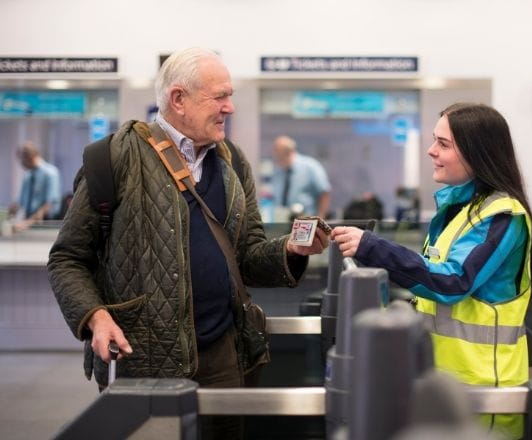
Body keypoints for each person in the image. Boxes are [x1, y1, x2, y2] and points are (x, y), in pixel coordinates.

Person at [47, 47, 328, 439]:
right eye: (220, 97)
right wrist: (95, 316)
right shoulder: (113, 158)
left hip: (224, 356)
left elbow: (245, 255)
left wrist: (290, 251)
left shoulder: (232, 162)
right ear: (178, 99)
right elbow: (66, 258)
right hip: (144, 359)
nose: (230, 107)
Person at [332, 103, 532, 439]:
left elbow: (451, 281)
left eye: (444, 145)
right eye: (434, 141)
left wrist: (373, 248)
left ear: (477, 154)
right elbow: (429, 279)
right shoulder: (454, 211)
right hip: (442, 383)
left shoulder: (502, 216)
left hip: (483, 389)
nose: (431, 151)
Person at [271, 135, 331, 218]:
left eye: (278, 152)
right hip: (283, 221)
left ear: (289, 152)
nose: (276, 155)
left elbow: (324, 192)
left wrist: (321, 218)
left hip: (307, 220)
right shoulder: (279, 171)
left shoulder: (310, 166)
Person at [9, 141, 61, 230]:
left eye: (21, 159)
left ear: (30, 157)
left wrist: (28, 223)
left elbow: (50, 204)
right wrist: (8, 216)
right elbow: (20, 202)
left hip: (46, 223)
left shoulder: (51, 173)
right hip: (29, 221)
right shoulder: (28, 175)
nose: (21, 163)